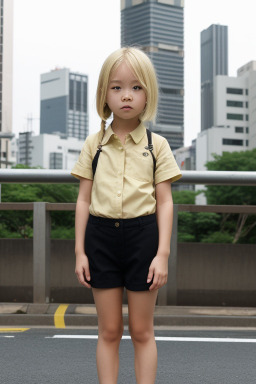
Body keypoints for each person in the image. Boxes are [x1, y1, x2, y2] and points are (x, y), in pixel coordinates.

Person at [71, 47, 182, 384]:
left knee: (141, 330)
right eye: (116, 87)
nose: (126, 96)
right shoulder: (94, 144)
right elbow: (83, 199)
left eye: (136, 87)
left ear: (148, 92)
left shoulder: (156, 145)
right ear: (104, 93)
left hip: (143, 239)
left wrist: (161, 255)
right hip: (100, 238)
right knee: (108, 330)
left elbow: (165, 202)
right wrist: (80, 251)